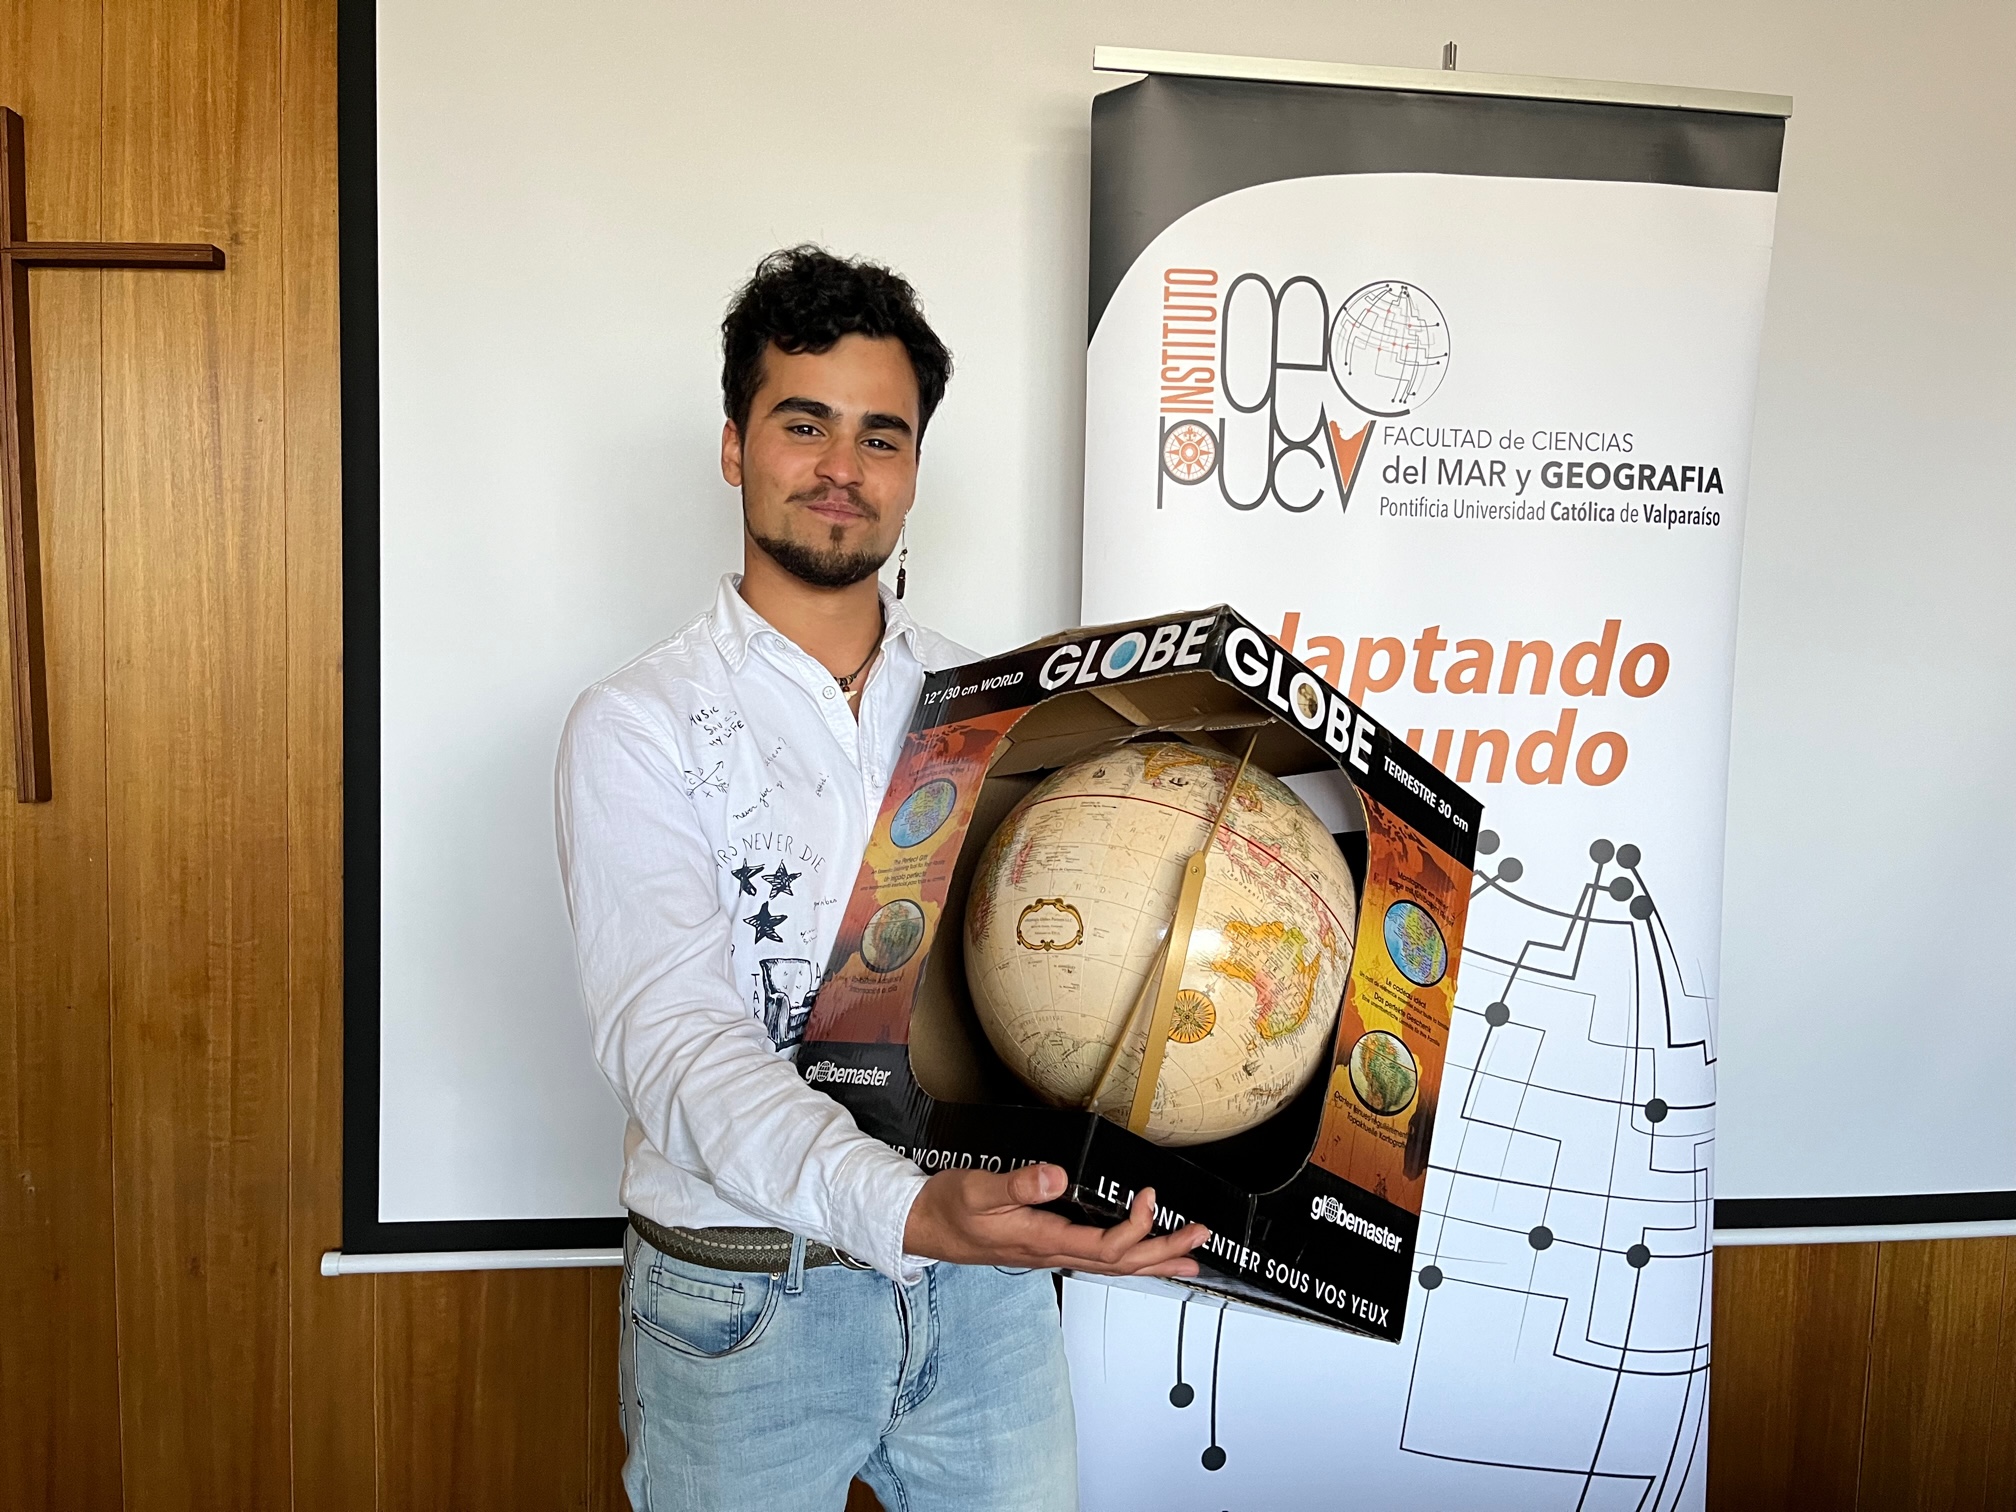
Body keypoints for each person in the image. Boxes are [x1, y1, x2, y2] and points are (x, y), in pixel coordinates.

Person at [555, 246, 1208, 1512]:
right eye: (804, 425)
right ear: (735, 447)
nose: (842, 467)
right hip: (746, 1298)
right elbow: (675, 1038)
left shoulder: (1007, 713)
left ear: (913, 470)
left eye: (881, 436)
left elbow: (1062, 986)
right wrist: (905, 1209)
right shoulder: (638, 724)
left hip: (986, 1298)